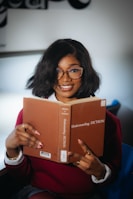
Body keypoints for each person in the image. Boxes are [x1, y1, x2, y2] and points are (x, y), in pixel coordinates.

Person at [4, 39, 122, 199]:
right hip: (39, 191)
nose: (65, 79)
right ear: (47, 73)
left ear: (84, 72)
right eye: (56, 70)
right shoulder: (28, 114)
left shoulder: (109, 120)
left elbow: (112, 175)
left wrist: (100, 171)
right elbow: (21, 177)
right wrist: (11, 150)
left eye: (73, 70)